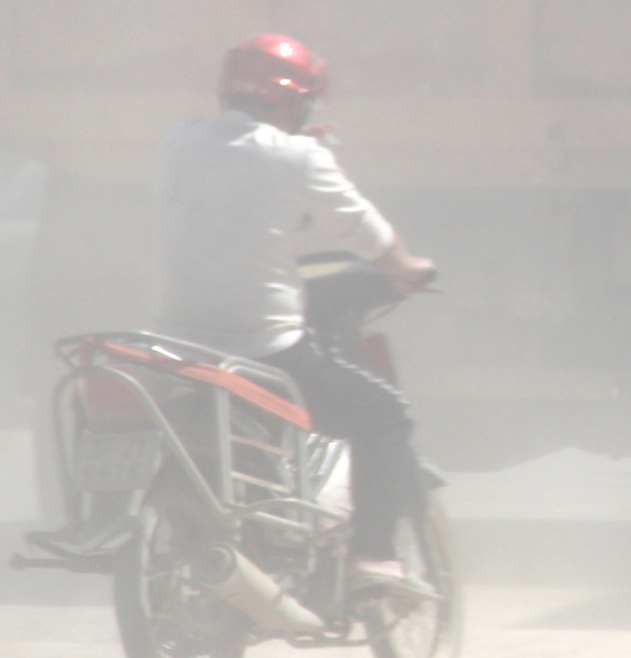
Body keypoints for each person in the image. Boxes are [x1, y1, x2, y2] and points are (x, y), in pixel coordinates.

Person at [155, 34, 436, 585]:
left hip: (177, 346)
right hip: (265, 351)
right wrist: (404, 266)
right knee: (384, 417)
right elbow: (361, 228)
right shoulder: (298, 158)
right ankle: (372, 555)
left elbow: (239, 172)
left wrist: (298, 148)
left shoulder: (177, 142)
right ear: (293, 99)